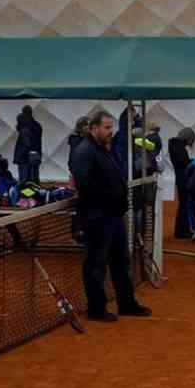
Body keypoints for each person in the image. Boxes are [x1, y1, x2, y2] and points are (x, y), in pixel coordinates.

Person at [70, 111, 151, 322]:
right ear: (93, 128)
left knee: (120, 261)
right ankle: (96, 308)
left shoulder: (102, 150)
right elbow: (86, 184)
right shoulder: (84, 152)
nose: (110, 131)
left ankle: (127, 303)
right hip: (97, 218)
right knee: (96, 264)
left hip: (113, 217)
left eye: (111, 127)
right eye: (106, 127)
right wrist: (109, 198)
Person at [168, 128, 195, 239]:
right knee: (184, 205)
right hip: (183, 179)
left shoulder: (175, 145)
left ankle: (181, 230)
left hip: (180, 178)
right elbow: (182, 162)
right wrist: (192, 162)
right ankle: (182, 231)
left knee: (183, 204)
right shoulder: (179, 147)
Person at [14, 105, 43, 184]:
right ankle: (35, 194)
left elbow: (27, 145)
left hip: (25, 159)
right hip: (36, 156)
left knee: (25, 180)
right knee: (34, 179)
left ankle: (27, 195)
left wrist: (19, 154)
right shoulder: (37, 125)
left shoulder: (25, 130)